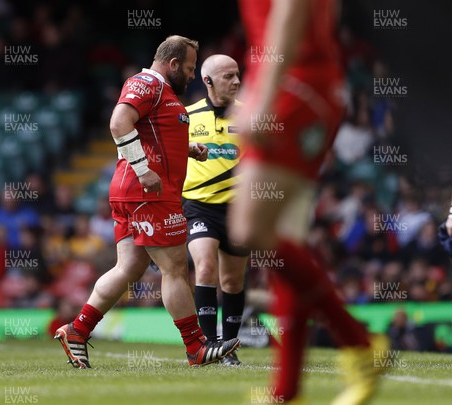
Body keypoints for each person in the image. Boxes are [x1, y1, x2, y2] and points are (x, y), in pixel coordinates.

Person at [231, 1, 390, 403]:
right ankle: (287, 392)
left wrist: (265, 92)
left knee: (250, 229)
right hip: (298, 81)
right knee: (283, 242)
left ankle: (360, 341)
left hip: (295, 86)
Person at [55, 35, 240, 369]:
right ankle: (196, 347)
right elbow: (118, 122)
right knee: (174, 268)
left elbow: (152, 133)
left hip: (137, 194)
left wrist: (188, 150)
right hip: (148, 194)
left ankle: (77, 330)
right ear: (171, 64)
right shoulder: (147, 83)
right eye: (188, 67)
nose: (192, 74)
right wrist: (143, 170)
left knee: (129, 267)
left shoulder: (165, 94)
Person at [182, 54, 248, 366]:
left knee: (233, 282)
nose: (236, 81)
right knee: (205, 268)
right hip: (199, 206)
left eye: (238, 75)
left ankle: (230, 349)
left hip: (238, 209)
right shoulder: (187, 116)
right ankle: (207, 345)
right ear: (207, 81)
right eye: (227, 76)